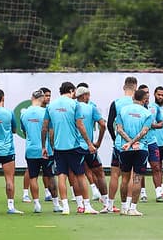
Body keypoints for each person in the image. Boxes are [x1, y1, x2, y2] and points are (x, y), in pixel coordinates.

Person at [42, 81, 96, 215]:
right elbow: (80, 125)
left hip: (58, 147)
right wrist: (89, 143)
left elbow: (45, 128)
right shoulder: (75, 104)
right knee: (80, 175)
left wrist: (44, 146)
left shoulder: (51, 106)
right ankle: (87, 205)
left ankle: (65, 207)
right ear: (71, 91)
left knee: (61, 175)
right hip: (73, 145)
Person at [115, 88, 153, 216]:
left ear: (133, 98)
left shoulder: (122, 110)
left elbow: (119, 129)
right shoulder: (147, 113)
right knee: (137, 179)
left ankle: (123, 207)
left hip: (124, 148)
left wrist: (128, 142)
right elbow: (144, 132)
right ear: (144, 100)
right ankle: (133, 208)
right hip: (140, 148)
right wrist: (133, 142)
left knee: (124, 179)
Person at [20, 89, 60, 213]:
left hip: (31, 149)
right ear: (42, 99)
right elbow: (51, 133)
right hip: (46, 150)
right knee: (51, 176)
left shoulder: (24, 114)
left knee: (33, 177)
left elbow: (25, 132)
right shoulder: (45, 112)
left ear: (32, 98)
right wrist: (53, 147)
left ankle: (36, 204)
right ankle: (56, 204)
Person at [0, 88, 24, 215]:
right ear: (3, 98)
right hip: (7, 150)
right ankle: (11, 206)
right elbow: (14, 129)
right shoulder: (9, 112)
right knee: (9, 179)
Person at [106, 76, 137, 212]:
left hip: (119, 144)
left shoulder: (116, 102)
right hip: (134, 144)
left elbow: (109, 124)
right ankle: (128, 204)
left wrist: (115, 139)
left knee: (115, 174)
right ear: (135, 87)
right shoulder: (138, 103)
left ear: (124, 87)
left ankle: (109, 204)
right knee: (130, 175)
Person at [75, 85, 107, 212]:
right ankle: (106, 203)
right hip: (89, 147)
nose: (89, 97)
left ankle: (80, 205)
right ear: (84, 96)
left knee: (77, 175)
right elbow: (103, 125)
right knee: (99, 173)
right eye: (88, 95)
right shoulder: (91, 108)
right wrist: (98, 142)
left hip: (75, 147)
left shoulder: (72, 107)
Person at [137, 84, 163, 203]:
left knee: (156, 166)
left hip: (152, 141)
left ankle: (159, 192)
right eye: (143, 92)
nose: (146, 95)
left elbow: (161, 123)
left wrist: (151, 125)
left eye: (147, 92)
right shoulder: (136, 108)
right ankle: (142, 193)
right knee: (141, 168)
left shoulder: (154, 107)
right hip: (140, 142)